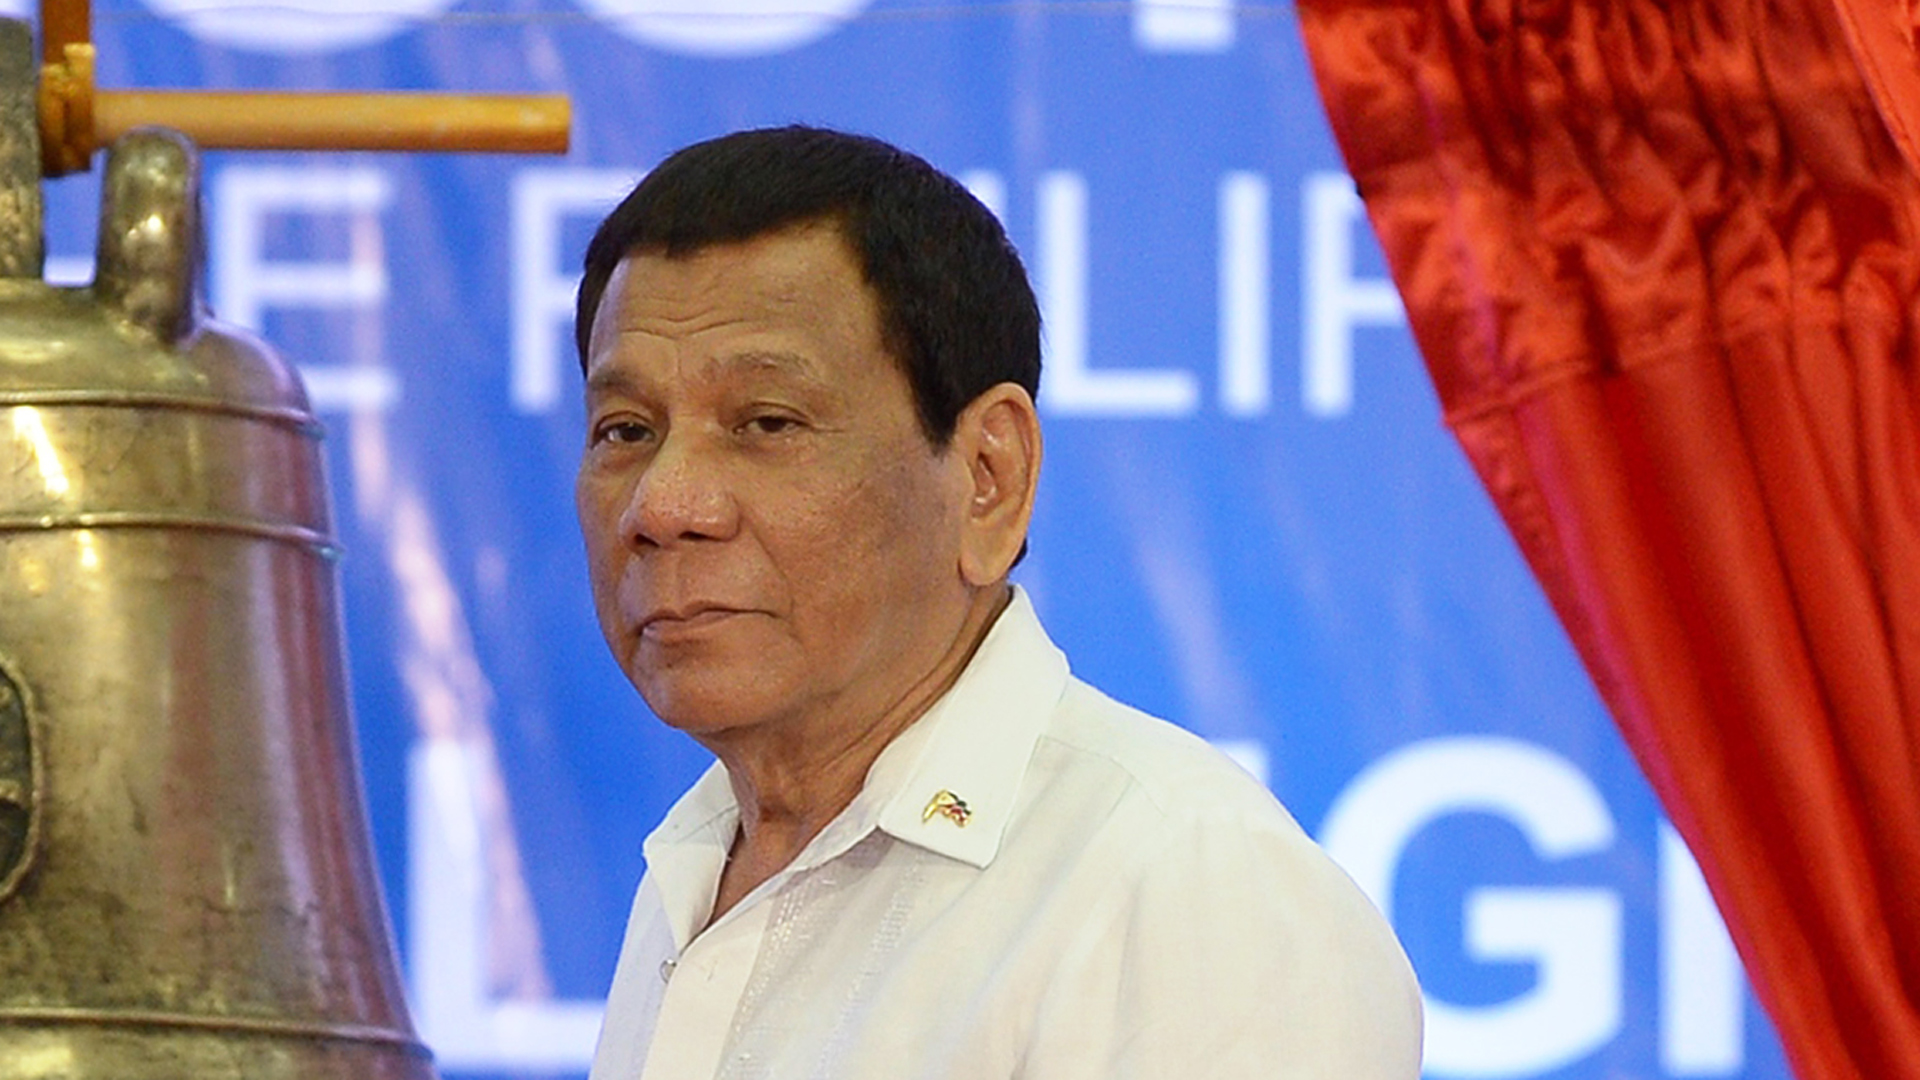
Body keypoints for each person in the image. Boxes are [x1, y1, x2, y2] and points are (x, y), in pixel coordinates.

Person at [573, 125, 1422, 1080]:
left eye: (768, 423)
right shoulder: (695, 865)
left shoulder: (1182, 890)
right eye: (626, 429)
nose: (665, 505)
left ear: (988, 475)